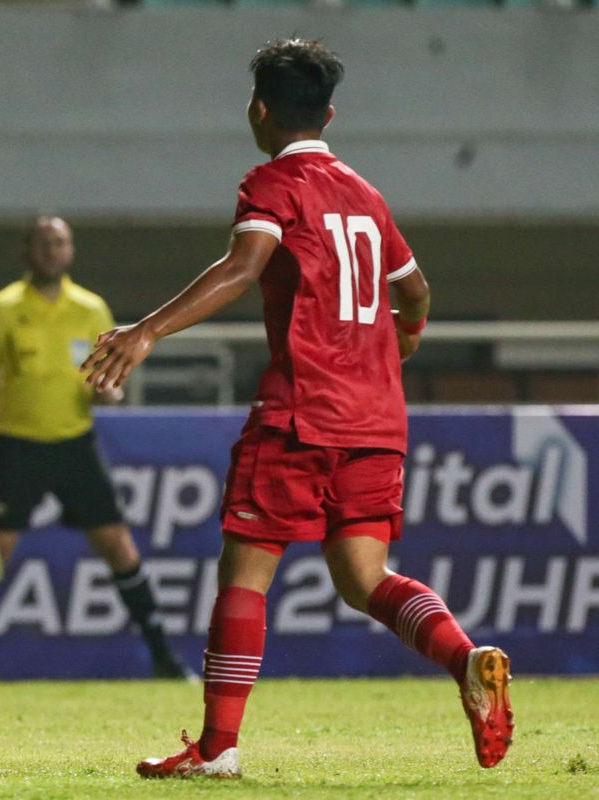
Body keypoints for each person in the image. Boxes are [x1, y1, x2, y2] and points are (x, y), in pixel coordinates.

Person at [82, 38, 512, 778]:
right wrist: (403, 340)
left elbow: (243, 267)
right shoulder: (367, 195)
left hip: (300, 412)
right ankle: (466, 658)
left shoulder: (271, 185)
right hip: (377, 419)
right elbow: (416, 290)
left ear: (259, 110)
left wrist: (146, 329)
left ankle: (217, 749)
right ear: (330, 113)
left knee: (245, 575)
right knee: (364, 578)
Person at [0, 214, 194, 681]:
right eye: (44, 242)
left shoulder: (91, 309)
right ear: (26, 252)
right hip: (17, 448)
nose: (53, 250)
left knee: (119, 546)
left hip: (75, 445)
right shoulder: (3, 307)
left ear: (71, 251)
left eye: (61, 242)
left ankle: (165, 659)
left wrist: (109, 390)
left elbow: (109, 379)